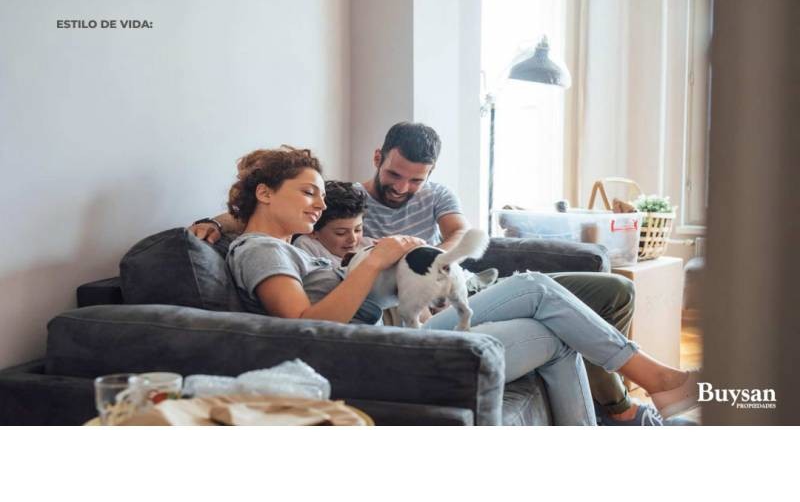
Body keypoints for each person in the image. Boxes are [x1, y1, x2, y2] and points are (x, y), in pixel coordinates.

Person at [190, 123, 664, 425]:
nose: (320, 205)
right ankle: (651, 387)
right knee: (538, 295)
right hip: (382, 349)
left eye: (321, 196)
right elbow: (303, 327)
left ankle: (636, 399)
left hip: (402, 323)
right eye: (309, 193)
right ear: (266, 194)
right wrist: (374, 261)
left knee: (553, 313)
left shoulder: (291, 244)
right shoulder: (262, 249)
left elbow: (261, 210)